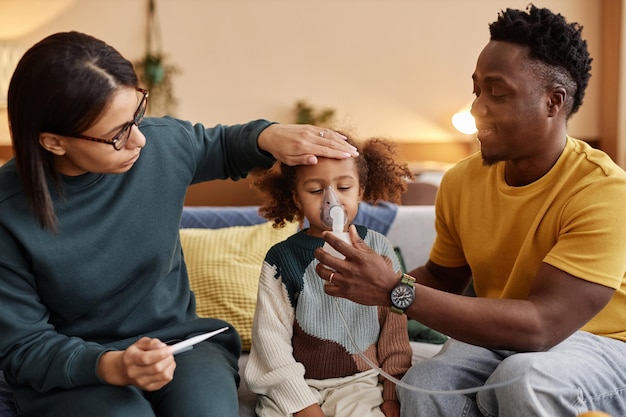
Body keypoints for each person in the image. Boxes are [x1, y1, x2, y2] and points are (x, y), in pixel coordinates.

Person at [0, 31, 358, 417]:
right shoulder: (8, 212)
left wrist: (269, 135)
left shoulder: (160, 144)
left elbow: (223, 146)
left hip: (182, 345)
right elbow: (23, 346)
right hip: (75, 368)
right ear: (54, 142)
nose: (138, 139)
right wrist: (113, 365)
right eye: (116, 134)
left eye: (137, 114)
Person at [314, 5, 626, 417]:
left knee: (523, 378)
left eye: (497, 93)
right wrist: (368, 283)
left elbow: (542, 326)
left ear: (553, 102)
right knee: (424, 385)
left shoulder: (604, 191)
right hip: (501, 339)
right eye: (477, 90)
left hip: (603, 345)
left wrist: (395, 290)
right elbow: (445, 277)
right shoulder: (462, 181)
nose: (478, 107)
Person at [244, 137, 414, 417]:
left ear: (360, 191)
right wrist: (302, 405)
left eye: (344, 187)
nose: (331, 200)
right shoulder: (281, 259)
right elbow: (270, 340)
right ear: (297, 197)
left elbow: (394, 331)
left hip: (360, 384)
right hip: (299, 387)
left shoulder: (379, 248)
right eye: (314, 190)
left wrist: (391, 394)